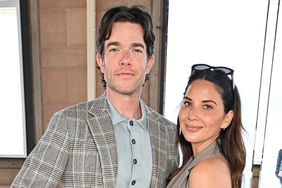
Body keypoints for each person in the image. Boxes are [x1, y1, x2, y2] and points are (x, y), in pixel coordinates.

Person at [11, 5, 179, 188]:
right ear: (101, 61)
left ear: (149, 62)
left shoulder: (168, 134)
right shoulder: (69, 122)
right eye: (114, 49)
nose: (125, 59)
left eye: (136, 50)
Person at [166, 64, 246, 188]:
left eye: (207, 106)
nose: (192, 115)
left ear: (226, 119)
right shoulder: (199, 162)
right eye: (187, 103)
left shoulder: (205, 171)